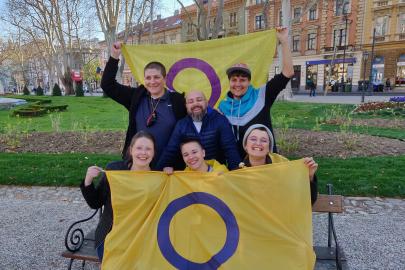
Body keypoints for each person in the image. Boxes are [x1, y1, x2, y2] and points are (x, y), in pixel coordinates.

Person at [100, 42, 187, 168]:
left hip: (169, 167)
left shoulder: (177, 101)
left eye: (157, 77)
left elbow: (195, 113)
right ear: (144, 79)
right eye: (148, 78)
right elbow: (107, 85)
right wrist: (114, 57)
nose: (152, 82)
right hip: (139, 164)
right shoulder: (136, 97)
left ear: (165, 79)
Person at [218, 27, 295, 157]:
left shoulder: (263, 95)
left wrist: (284, 41)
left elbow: (288, 72)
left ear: (249, 82)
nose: (237, 84)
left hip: (264, 165)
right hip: (236, 167)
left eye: (242, 80)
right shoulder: (222, 107)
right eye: (234, 80)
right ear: (229, 82)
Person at [80, 131, 156, 261]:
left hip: (142, 238)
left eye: (148, 149)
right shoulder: (115, 169)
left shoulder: (157, 177)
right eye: (139, 148)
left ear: (153, 153)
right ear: (131, 150)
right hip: (110, 236)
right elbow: (95, 203)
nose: (143, 153)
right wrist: (88, 181)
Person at [157, 90, 241, 172]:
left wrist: (236, 174)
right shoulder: (181, 125)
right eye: (190, 101)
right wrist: (156, 173)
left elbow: (230, 149)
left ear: (206, 102)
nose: (195, 104)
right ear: (186, 106)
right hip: (192, 175)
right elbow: (170, 151)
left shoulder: (220, 120)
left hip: (216, 174)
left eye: (199, 100)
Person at [239, 124, 318, 204]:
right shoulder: (237, 176)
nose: (258, 143)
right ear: (245, 145)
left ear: (269, 148)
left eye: (264, 140)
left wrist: (309, 177)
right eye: (253, 139)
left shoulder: (283, 168)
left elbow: (307, 201)